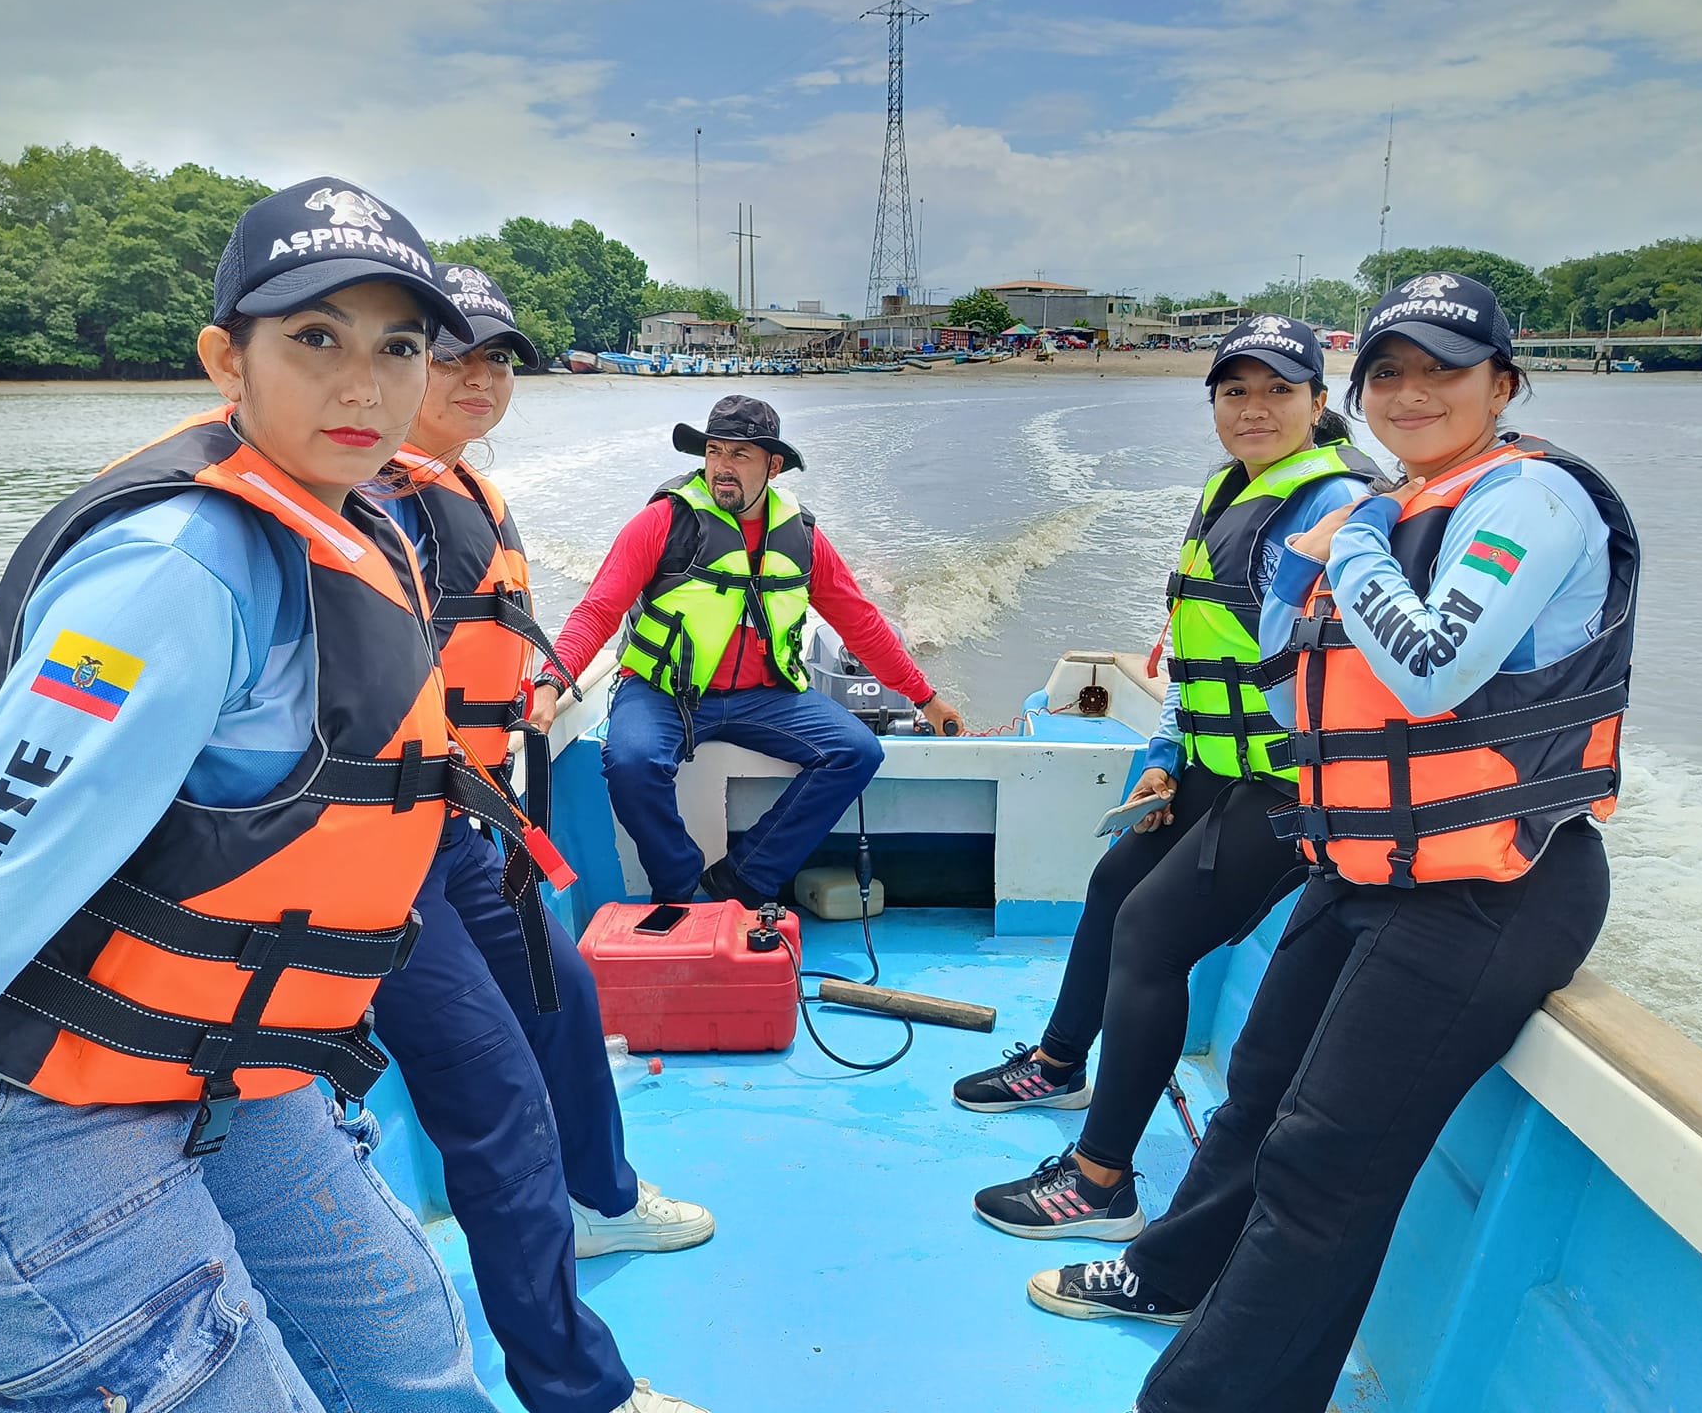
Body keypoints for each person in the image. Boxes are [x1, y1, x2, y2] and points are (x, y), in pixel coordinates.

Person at [0, 178, 530, 1411]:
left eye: (397, 346)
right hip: (6, 1110)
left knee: (416, 1365)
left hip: (204, 1067)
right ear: (223, 358)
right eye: (314, 340)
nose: (364, 385)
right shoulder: (172, 574)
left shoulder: (360, 523)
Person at [1030, 273, 1640, 1413]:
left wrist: (1348, 544)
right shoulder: (1392, 505)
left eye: (1443, 371)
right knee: (1254, 1093)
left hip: (1492, 887)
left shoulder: (1529, 499)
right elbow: (1280, 675)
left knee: (1323, 1164)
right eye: (1390, 374)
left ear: (1501, 384)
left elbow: (1428, 669)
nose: (1412, 395)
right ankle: (1166, 1273)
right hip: (1362, 861)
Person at [369, 263, 713, 1413]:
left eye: (495, 359)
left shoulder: (461, 484)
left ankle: (601, 1201)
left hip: (458, 818)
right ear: (397, 363)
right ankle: (581, 1391)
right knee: (497, 1102)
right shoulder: (375, 500)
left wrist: (537, 675)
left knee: (561, 994)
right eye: (446, 353)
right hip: (373, 857)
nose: (476, 379)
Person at [957, 317, 1380, 1241]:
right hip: (1214, 763)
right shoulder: (1231, 492)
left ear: (1319, 400)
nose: (1255, 409)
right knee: (1113, 885)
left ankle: (1105, 1183)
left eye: (1279, 390)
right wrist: (1159, 760)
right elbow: (1198, 663)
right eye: (1236, 391)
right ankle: (1063, 1065)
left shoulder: (1335, 511)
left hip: (1290, 788)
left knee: (1153, 934)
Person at [528, 394, 964, 906]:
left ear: (773, 466)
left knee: (857, 750)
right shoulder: (663, 524)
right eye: (714, 452)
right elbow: (597, 610)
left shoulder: (802, 538)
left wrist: (924, 698)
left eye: (740, 455)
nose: (722, 468)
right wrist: (550, 684)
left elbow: (861, 624)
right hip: (662, 692)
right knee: (632, 761)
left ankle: (744, 877)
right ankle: (678, 883)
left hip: (763, 697)